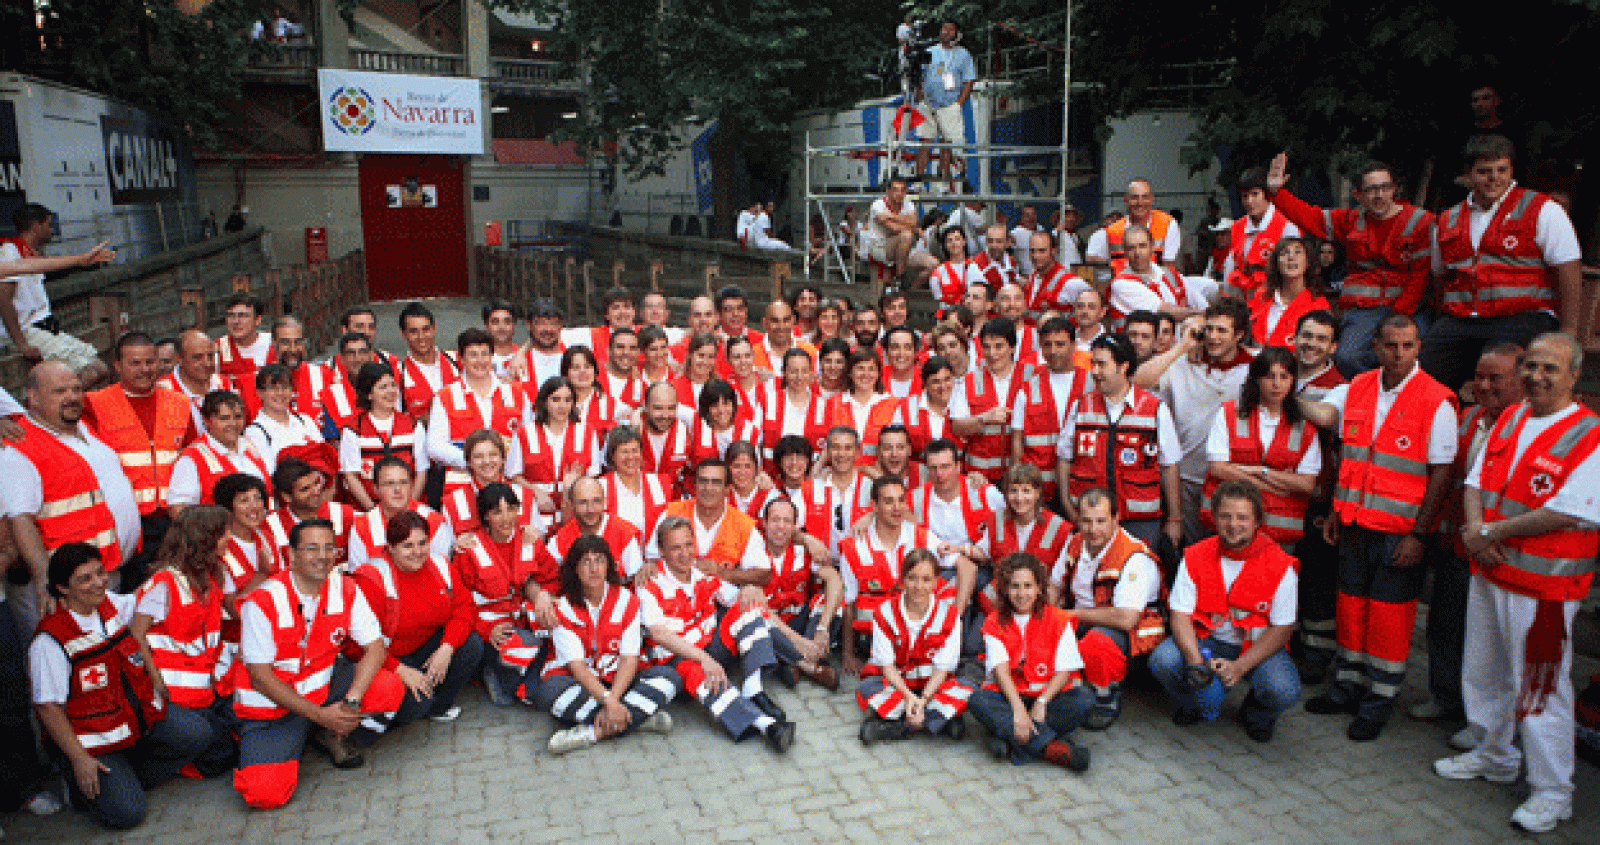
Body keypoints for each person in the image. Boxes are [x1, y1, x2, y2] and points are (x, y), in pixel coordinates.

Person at [1436, 332, 1595, 833]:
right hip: (1491, 571)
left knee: (1541, 690)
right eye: (1530, 366)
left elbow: (1568, 511)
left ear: (1574, 375)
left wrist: (1487, 531)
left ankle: (1553, 792)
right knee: (1483, 670)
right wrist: (1476, 530)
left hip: (1544, 592)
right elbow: (1476, 481)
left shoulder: (1590, 434)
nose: (1537, 377)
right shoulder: (1511, 417)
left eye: (1550, 368)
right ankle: (1494, 754)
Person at [1298, 313, 1457, 741]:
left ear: (1419, 346)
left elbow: (1441, 475)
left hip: (1399, 534)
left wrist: (1419, 535)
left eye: (1407, 345)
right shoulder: (1358, 387)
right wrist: (1284, 392)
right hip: (1352, 524)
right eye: (1390, 345)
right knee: (1350, 609)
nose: (1399, 354)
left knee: (1388, 620)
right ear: (1375, 346)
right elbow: (1336, 434)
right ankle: (1346, 688)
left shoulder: (1437, 399)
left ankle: (1378, 701)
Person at [30, 543, 219, 829]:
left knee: (199, 734)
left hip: (136, 720)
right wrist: (80, 760)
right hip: (94, 743)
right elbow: (47, 708)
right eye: (85, 578)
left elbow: (148, 597)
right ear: (62, 588)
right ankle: (82, 784)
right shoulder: (50, 641)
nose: (98, 583)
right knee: (128, 814)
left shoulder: (111, 605)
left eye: (99, 573)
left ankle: (121, 779)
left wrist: (172, 570)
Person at [230, 519, 404, 808]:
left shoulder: (345, 588)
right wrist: (320, 715)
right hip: (273, 709)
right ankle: (311, 732)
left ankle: (327, 734)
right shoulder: (261, 601)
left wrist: (351, 702)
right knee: (264, 795)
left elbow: (374, 648)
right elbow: (260, 677)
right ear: (292, 555)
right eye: (311, 549)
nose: (323, 556)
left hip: (323, 693)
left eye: (328, 548)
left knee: (387, 686)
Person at [1414, 342, 1522, 727]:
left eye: (1497, 378)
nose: (1485, 384)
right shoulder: (1466, 417)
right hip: (1454, 544)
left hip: (1497, 553)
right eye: (1479, 376)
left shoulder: (1525, 427)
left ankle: (1482, 722)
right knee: (1444, 625)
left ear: (1520, 382)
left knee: (1488, 645)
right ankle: (1445, 698)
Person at [1421, 135, 1583, 391]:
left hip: (1522, 316)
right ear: (1468, 175)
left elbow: (1568, 270)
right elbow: (1440, 276)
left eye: (1501, 170)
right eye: (1484, 171)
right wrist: (1444, 319)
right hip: (1462, 319)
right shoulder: (1447, 219)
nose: (1494, 178)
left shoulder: (1543, 209)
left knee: (1504, 378)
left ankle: (1501, 428)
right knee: (1423, 379)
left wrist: (1569, 332)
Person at [1151, 480, 1302, 742]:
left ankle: (1256, 714)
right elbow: (1179, 613)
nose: (1233, 525)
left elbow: (1282, 628)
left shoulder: (1280, 565)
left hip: (1254, 649)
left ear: (1257, 521)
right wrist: (1195, 662)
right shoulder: (1196, 555)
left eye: (1242, 518)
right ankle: (1195, 704)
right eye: (1226, 516)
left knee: (1284, 690)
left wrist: (1240, 667)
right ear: (1214, 518)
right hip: (1206, 643)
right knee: (1163, 661)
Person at [1265, 152, 1433, 377]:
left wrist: (1398, 317)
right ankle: (1369, 400)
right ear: (1359, 195)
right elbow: (1311, 218)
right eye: (1372, 190)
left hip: (1410, 308)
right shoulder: (1351, 220)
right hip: (1364, 310)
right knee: (1347, 358)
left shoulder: (1420, 221)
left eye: (1385, 187)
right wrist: (1277, 193)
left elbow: (1421, 273)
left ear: (1395, 189)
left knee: (1414, 359)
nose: (1379, 195)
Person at [2, 362, 142, 629]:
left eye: (76, 389)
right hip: (65, 590)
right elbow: (20, 519)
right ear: (33, 397)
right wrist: (46, 580)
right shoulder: (18, 446)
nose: (71, 397)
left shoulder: (83, 426)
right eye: (59, 391)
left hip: (106, 575)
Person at [640, 515, 796, 752]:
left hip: (709, 649)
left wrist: (751, 591)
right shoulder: (650, 583)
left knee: (748, 608)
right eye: (675, 548)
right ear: (661, 551)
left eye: (688, 545)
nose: (684, 553)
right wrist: (703, 659)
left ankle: (753, 690)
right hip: (678, 660)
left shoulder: (701, 573)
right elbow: (659, 634)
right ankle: (768, 726)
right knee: (697, 673)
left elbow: (736, 597)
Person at [345, 511, 484, 747]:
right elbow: (355, 646)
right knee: (413, 706)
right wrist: (400, 670)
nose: (418, 551)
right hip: (387, 658)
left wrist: (446, 648)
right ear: (390, 547)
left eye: (422, 543)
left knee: (470, 645)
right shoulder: (372, 578)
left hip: (424, 648)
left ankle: (435, 704)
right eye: (407, 545)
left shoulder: (440, 565)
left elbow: (463, 609)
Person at [531, 535, 676, 754]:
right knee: (548, 692)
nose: (593, 568)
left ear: (609, 565)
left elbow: (629, 658)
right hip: (582, 684)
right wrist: (609, 702)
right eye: (585, 562)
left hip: (618, 681)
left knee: (670, 678)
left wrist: (613, 700)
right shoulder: (562, 608)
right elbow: (577, 668)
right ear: (575, 569)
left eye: (599, 560)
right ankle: (637, 719)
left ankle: (591, 732)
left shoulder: (627, 600)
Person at [1135, 298, 1255, 545]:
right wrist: (1182, 347)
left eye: (1222, 330)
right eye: (1209, 329)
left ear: (1239, 334)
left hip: (1232, 479)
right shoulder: (1184, 364)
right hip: (1187, 477)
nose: (1213, 336)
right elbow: (1137, 381)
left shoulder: (1254, 368)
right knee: (1192, 551)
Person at [1046, 485, 1167, 729]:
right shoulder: (1076, 542)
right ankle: (1060, 687)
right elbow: (1053, 584)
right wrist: (1051, 610)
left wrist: (1068, 615)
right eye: (1087, 521)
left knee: (1094, 644)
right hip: (1082, 619)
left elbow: (1126, 619)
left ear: (1116, 517)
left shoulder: (1134, 557)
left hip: (1126, 635)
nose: (1093, 530)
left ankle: (1106, 696)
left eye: (1101, 521)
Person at [127, 506, 238, 774]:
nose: (228, 539)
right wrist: (154, 680)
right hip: (174, 694)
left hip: (208, 688)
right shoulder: (164, 582)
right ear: (205, 538)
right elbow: (136, 633)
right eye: (223, 534)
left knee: (234, 742)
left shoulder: (215, 573)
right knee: (217, 757)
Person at [82, 332, 199, 573]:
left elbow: (193, 458)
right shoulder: (94, 404)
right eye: (135, 363)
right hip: (124, 522)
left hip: (173, 520)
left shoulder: (180, 403)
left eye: (150, 361)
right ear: (117, 366)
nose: (144, 369)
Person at [968, 552, 1093, 769]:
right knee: (978, 701)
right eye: (1015, 586)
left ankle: (1009, 740)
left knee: (1084, 699)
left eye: (1028, 585)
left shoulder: (1058, 619)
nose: (1022, 593)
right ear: (1005, 589)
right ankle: (1052, 749)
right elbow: (1001, 670)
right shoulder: (993, 622)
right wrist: (1018, 710)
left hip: (1047, 700)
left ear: (1038, 589)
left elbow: (1064, 671)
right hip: (1010, 699)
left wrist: (1042, 702)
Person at [1059, 334, 1182, 551]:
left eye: (1102, 364)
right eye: (1092, 364)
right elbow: (1064, 458)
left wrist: (1174, 519)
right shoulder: (1080, 406)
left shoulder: (1155, 408)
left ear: (1123, 366)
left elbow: (1169, 466)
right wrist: (1069, 508)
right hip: (1091, 520)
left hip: (1140, 521)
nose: (1094, 371)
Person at [1200, 347, 1322, 548]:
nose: (1277, 384)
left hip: (1279, 536)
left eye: (1284, 377)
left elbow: (1307, 484)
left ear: (1293, 381)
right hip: (1228, 530)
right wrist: (1272, 484)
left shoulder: (1305, 428)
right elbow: (1218, 468)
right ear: (1256, 379)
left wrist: (1260, 470)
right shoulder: (1229, 413)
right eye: (1269, 376)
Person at [452, 483, 559, 706]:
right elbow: (457, 603)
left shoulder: (529, 539)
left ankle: (523, 685)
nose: (506, 518)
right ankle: (489, 673)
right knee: (527, 644)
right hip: (488, 627)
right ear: (485, 516)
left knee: (553, 624)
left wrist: (544, 595)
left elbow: (552, 577)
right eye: (496, 512)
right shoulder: (470, 549)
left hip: (520, 619)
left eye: (511, 509)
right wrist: (485, 630)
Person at [856, 548, 974, 743]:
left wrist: (924, 699)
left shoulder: (950, 616)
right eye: (912, 578)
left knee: (968, 688)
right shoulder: (884, 613)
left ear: (936, 582)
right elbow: (887, 667)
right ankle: (937, 721)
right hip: (899, 686)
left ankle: (896, 725)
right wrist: (910, 697)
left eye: (926, 579)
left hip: (933, 687)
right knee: (867, 687)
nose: (919, 586)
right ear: (902, 580)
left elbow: (943, 668)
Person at [837, 476, 940, 676]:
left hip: (916, 631)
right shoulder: (853, 547)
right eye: (888, 501)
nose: (897, 508)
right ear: (873, 505)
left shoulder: (921, 536)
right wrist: (847, 655)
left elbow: (964, 565)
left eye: (901, 500)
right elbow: (848, 604)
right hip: (874, 636)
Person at [1, 203, 114, 373]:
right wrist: (21, 344)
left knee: (100, 367)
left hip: (46, 327)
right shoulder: (9, 250)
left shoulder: (28, 252)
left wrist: (81, 259)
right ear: (36, 226)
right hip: (29, 331)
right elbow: (4, 298)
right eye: (48, 224)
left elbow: (32, 266)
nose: (52, 229)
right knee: (90, 372)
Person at [750, 497, 842, 691]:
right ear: (764, 523)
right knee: (754, 615)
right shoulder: (753, 552)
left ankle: (793, 661)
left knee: (831, 599)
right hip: (774, 628)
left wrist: (822, 629)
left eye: (786, 521)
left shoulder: (803, 550)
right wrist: (798, 642)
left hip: (800, 623)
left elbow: (834, 578)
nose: (780, 527)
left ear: (794, 526)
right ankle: (808, 666)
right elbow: (760, 608)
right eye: (775, 520)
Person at [427, 328, 528, 493]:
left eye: (485, 354)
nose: (480, 361)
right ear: (462, 359)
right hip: (462, 488)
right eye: (473, 355)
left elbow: (527, 437)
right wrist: (476, 462)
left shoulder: (516, 393)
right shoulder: (446, 396)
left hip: (507, 486)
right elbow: (434, 446)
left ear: (492, 356)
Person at [952, 319, 1032, 483]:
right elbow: (957, 427)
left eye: (998, 346)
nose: (991, 353)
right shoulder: (969, 381)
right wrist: (984, 418)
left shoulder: (1032, 377)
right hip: (979, 478)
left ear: (1012, 346)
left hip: (1022, 478)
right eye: (986, 346)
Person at [339, 362, 426, 510]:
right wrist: (374, 511)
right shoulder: (353, 429)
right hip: (368, 509)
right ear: (369, 394)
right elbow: (351, 476)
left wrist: (408, 508)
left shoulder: (412, 424)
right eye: (383, 387)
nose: (391, 391)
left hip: (409, 508)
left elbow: (422, 471)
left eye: (393, 385)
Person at [168, 390, 271, 513]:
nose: (233, 424)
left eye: (237, 417)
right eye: (224, 419)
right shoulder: (191, 458)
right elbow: (178, 509)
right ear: (206, 421)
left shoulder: (251, 446)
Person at [517, 377, 601, 518]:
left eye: (567, 400)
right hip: (536, 513)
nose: (562, 406)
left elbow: (593, 477)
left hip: (574, 515)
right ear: (544, 402)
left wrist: (572, 488)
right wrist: (535, 492)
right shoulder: (525, 432)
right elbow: (514, 475)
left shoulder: (587, 433)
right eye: (555, 399)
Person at [347, 458, 452, 571]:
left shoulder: (434, 522)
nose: (397, 489)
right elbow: (359, 577)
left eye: (403, 482)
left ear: (411, 485)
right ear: (375, 489)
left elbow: (441, 572)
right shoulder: (361, 527)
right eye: (389, 483)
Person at [1218, 166, 1300, 300]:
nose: (1249, 201)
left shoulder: (1287, 227)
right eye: (1245, 196)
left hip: (1275, 302)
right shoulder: (1237, 228)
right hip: (1243, 303)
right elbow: (1231, 268)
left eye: (1255, 194)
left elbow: (1294, 274)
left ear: (1266, 195)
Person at [913, 20, 975, 191]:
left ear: (957, 34)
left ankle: (944, 181)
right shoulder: (929, 51)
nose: (947, 32)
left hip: (949, 104)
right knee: (925, 141)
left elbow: (969, 81)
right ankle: (919, 180)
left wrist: (959, 103)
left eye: (951, 29)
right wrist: (920, 99)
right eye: (944, 28)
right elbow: (917, 76)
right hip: (928, 103)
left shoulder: (963, 54)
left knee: (946, 143)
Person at [261, 458, 357, 566]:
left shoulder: (343, 514)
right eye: (305, 489)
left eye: (316, 483)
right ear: (286, 496)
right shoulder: (270, 527)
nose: (315, 492)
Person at [801, 426, 876, 558]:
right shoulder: (810, 488)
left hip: (861, 570)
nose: (842, 454)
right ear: (828, 452)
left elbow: (899, 515)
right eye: (836, 448)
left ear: (857, 452)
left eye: (848, 448)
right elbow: (789, 527)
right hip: (820, 568)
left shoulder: (872, 488)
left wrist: (872, 516)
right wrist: (806, 539)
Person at [437, 429, 530, 536]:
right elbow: (447, 550)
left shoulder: (525, 496)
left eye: (493, 455)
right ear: (469, 462)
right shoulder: (452, 503)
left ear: (503, 458)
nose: (486, 461)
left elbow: (537, 545)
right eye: (478, 456)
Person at [1249, 237, 1331, 350]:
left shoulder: (1318, 305)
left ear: (1307, 262)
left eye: (1298, 252)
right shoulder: (1261, 296)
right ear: (1276, 263)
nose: (1291, 257)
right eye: (1284, 253)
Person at [1106, 226, 1195, 329]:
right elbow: (1167, 311)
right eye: (1131, 248)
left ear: (1152, 247)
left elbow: (1202, 301)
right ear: (1125, 251)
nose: (1137, 253)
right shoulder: (1121, 284)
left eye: (1142, 246)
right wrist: (1202, 314)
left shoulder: (1171, 274)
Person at [243, 363, 324, 474]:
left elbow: (325, 458)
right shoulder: (254, 432)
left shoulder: (305, 421)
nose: (280, 393)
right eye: (272, 388)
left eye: (284, 387)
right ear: (260, 393)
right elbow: (269, 474)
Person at [1085, 179, 1181, 270]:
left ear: (1152, 199)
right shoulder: (1111, 231)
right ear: (1125, 200)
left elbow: (1169, 266)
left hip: (1154, 284)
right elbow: (1093, 262)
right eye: (1135, 197)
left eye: (1145, 197)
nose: (1140, 203)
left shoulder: (1168, 224)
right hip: (1121, 284)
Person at [828, 348, 901, 466]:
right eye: (860, 368)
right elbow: (827, 447)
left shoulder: (892, 404)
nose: (865, 374)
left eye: (871, 369)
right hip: (842, 475)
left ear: (878, 374)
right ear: (850, 373)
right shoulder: (834, 403)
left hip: (878, 475)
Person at [864, 176, 937, 285]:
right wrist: (914, 229)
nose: (899, 193)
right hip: (880, 247)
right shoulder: (878, 205)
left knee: (934, 263)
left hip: (904, 249)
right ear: (888, 191)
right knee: (906, 235)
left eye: (903, 189)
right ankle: (900, 276)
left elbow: (913, 221)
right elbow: (894, 228)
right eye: (895, 189)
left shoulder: (909, 204)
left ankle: (910, 289)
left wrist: (890, 216)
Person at [395, 302, 460, 419]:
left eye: (425, 329)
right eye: (413, 331)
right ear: (403, 334)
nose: (421, 337)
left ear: (434, 329)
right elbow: (395, 420)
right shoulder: (398, 373)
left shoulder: (457, 360)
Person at [160, 329, 232, 427]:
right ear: (179, 359)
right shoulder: (163, 390)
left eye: (210, 355)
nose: (207, 363)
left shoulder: (223, 383)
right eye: (197, 357)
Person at [1024, 232, 1088, 317]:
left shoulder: (1071, 282)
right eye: (1032, 251)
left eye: (1042, 251)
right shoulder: (1033, 276)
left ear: (1053, 250)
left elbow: (1094, 307)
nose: (1036, 256)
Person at [215, 295, 275, 382]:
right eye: (231, 316)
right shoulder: (222, 346)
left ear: (257, 319)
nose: (236, 321)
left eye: (243, 316)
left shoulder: (273, 342)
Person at [510, 299, 566, 389]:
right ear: (528, 324)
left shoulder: (572, 357)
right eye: (540, 323)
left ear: (561, 325)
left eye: (553, 323)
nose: (548, 329)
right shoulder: (516, 364)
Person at [929, 226, 985, 309]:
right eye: (949, 240)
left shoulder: (974, 266)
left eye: (957, 239)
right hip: (948, 317)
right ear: (945, 245)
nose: (954, 243)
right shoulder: (938, 272)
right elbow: (939, 300)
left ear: (964, 241)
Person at [972, 223, 1016, 288]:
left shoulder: (1010, 261)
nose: (994, 245)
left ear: (1007, 243)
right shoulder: (977, 266)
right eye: (990, 241)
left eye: (999, 241)